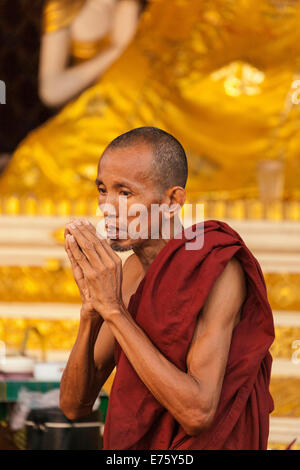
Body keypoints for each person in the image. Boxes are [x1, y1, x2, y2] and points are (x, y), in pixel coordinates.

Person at [60, 126, 275, 450]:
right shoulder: (129, 272)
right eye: (103, 190)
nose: (107, 207)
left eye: (126, 193)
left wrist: (115, 311)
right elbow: (73, 406)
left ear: (172, 201)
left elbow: (197, 412)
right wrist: (92, 310)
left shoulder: (214, 269)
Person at [1, 0, 300, 202]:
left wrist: (124, 54)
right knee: (45, 155)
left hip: (123, 94)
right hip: (87, 104)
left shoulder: (127, 6)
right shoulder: (63, 7)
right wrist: (117, 54)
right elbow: (51, 89)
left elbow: (139, 65)